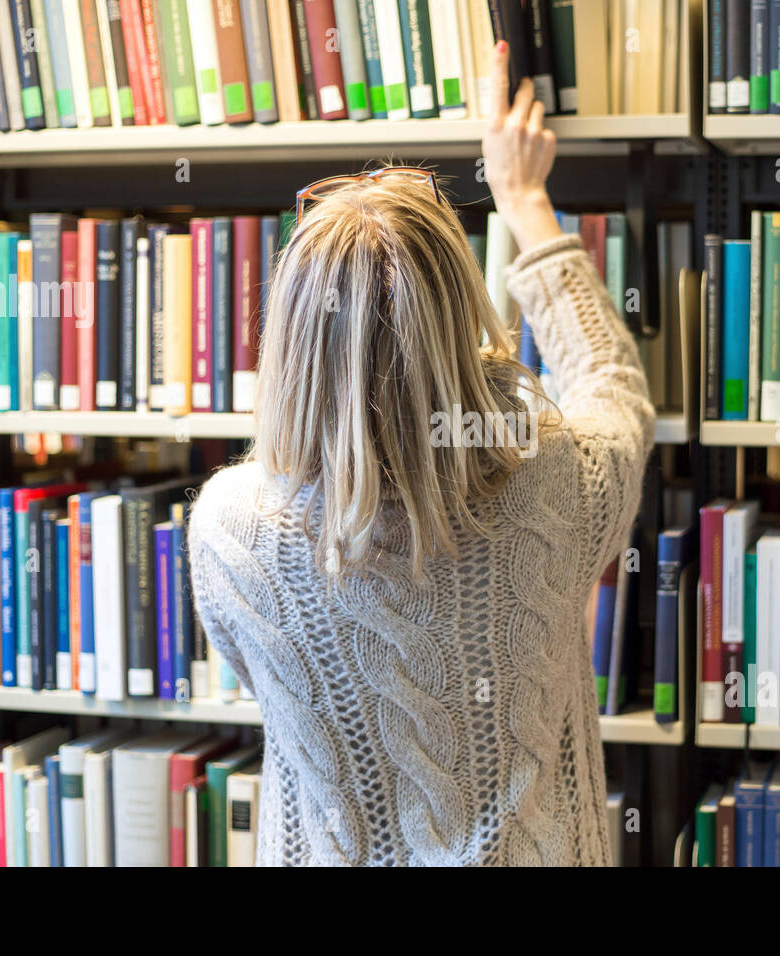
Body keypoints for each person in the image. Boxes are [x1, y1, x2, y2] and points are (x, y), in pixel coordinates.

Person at [188, 41, 654, 866]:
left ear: (292, 341)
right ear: (461, 319)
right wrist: (522, 196)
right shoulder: (555, 482)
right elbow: (612, 382)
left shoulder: (230, 529)